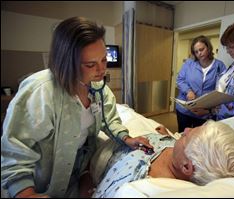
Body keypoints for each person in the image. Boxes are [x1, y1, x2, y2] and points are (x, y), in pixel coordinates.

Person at [1, 16, 153, 198]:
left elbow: (109, 119)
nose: (102, 70)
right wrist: (25, 193)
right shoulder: (40, 92)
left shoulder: (97, 88)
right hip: (41, 183)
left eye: (104, 60)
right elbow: (15, 150)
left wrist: (126, 138)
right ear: (66, 62)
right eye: (91, 64)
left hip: (76, 173)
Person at [91, 120, 234, 198]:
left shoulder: (134, 182)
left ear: (186, 167)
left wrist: (86, 177)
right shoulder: (184, 158)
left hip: (104, 150)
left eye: (186, 136)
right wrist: (167, 136)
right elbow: (181, 147)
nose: (185, 129)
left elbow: (98, 192)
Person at [176, 35, 226, 133]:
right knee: (183, 135)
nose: (199, 53)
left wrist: (211, 109)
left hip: (204, 112)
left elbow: (221, 89)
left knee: (199, 139)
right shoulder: (189, 63)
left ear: (208, 47)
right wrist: (188, 91)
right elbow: (180, 80)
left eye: (201, 49)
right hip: (185, 110)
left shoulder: (219, 66)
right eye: (196, 51)